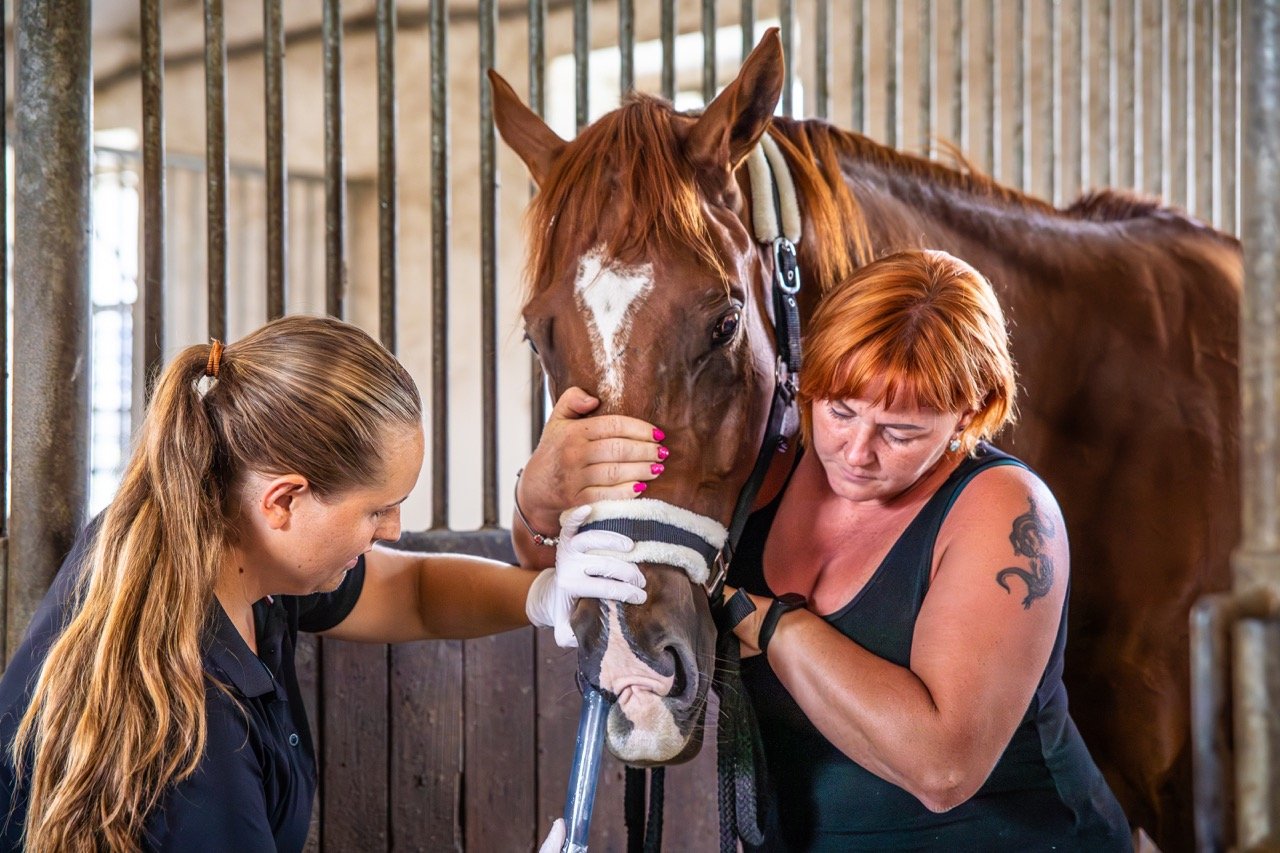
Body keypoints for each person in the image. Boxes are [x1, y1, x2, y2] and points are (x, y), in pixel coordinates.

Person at [519, 250, 1132, 850]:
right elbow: (540, 564)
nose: (857, 452)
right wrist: (536, 491)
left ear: (970, 415)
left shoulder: (1005, 508)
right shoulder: (763, 477)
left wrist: (762, 619)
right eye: (839, 411)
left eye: (901, 432)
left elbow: (944, 770)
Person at [0, 315, 644, 852]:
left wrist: (543, 595)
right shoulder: (188, 737)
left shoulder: (199, 535)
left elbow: (411, 592)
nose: (393, 530)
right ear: (283, 501)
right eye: (377, 509)